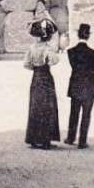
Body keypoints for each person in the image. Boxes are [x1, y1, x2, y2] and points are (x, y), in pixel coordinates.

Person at [64, 23, 94, 149]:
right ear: (88, 36)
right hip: (90, 85)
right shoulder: (92, 52)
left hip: (76, 85)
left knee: (74, 113)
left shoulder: (70, 52)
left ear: (78, 35)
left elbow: (75, 67)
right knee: (86, 114)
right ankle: (82, 141)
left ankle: (70, 138)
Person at [23, 16, 62, 149]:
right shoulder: (47, 49)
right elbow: (54, 61)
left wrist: (36, 65)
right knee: (47, 108)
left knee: (35, 107)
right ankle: (46, 141)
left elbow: (26, 65)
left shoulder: (32, 48)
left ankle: (33, 139)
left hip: (36, 77)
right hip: (45, 77)